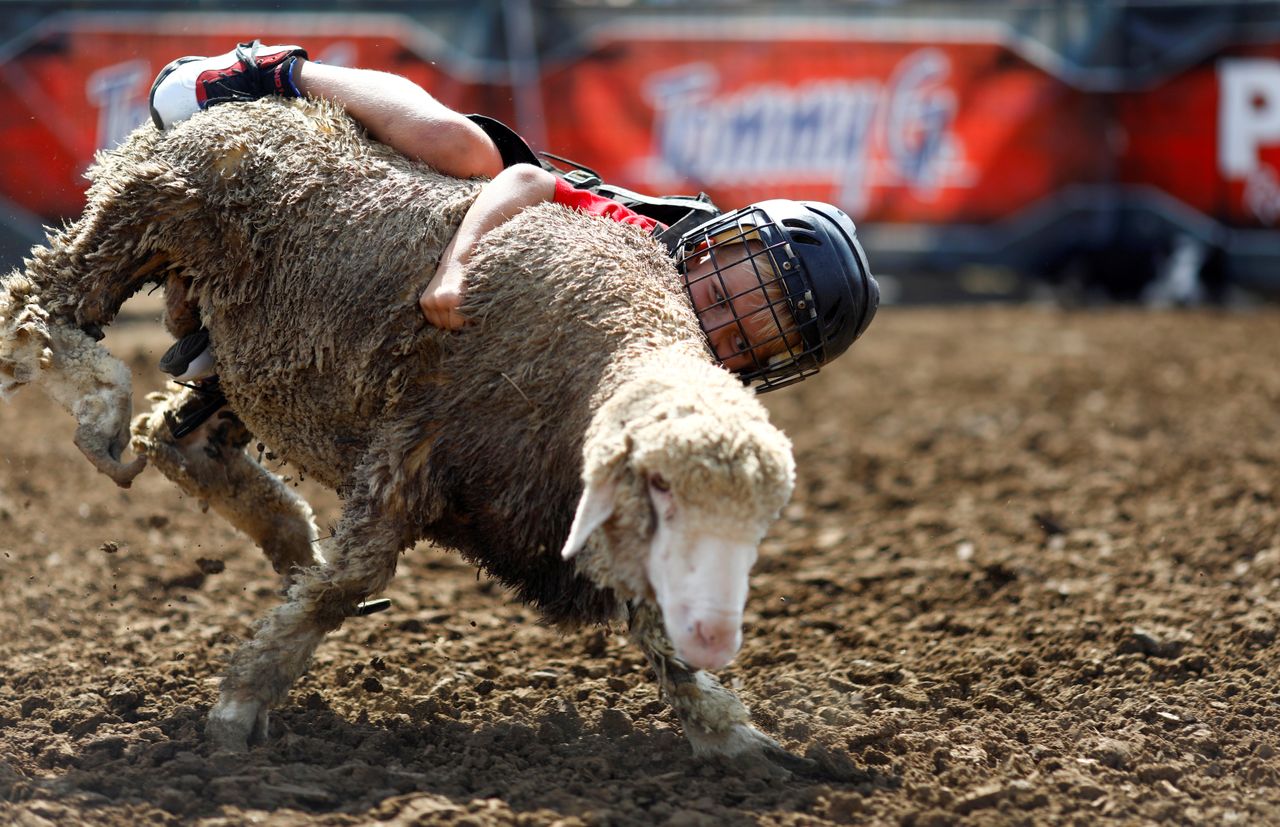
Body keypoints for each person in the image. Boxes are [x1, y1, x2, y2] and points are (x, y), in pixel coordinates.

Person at [148, 42, 879, 395]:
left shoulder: (682, 391)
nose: (713, 325)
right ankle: (268, 72)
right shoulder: (644, 244)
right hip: (495, 221)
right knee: (465, 149)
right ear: (717, 245)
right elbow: (525, 180)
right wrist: (458, 265)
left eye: (742, 340)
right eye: (723, 297)